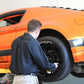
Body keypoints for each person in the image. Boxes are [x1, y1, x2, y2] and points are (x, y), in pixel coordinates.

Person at [9, 19, 58, 84]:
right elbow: (42, 61)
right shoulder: (32, 42)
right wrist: (53, 66)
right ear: (37, 31)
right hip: (28, 80)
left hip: (16, 79)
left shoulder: (15, 42)